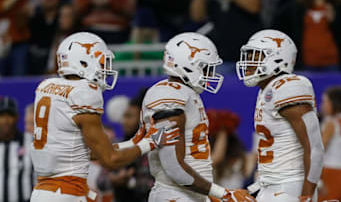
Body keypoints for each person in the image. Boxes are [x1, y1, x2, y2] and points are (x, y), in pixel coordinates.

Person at [29, 32, 180, 202]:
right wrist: (151, 142)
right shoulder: (83, 92)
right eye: (101, 62)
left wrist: (137, 140)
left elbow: (88, 153)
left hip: (43, 192)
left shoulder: (46, 86)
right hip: (68, 193)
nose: (104, 69)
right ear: (83, 62)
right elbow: (110, 159)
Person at [141, 32, 255, 202]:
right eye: (206, 67)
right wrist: (224, 194)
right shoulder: (170, 97)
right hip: (174, 195)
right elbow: (174, 168)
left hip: (187, 195)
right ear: (188, 65)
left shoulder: (185, 94)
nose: (210, 73)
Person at [236, 29, 324, 201]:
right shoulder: (267, 89)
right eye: (248, 56)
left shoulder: (288, 87)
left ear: (277, 58)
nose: (248, 62)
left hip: (290, 187)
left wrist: (307, 195)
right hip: (271, 186)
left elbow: (314, 148)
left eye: (255, 56)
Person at [0, 96, 34, 202]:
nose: (6, 120)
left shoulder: (31, 141)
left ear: (17, 117)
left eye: (10, 115)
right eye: (2, 115)